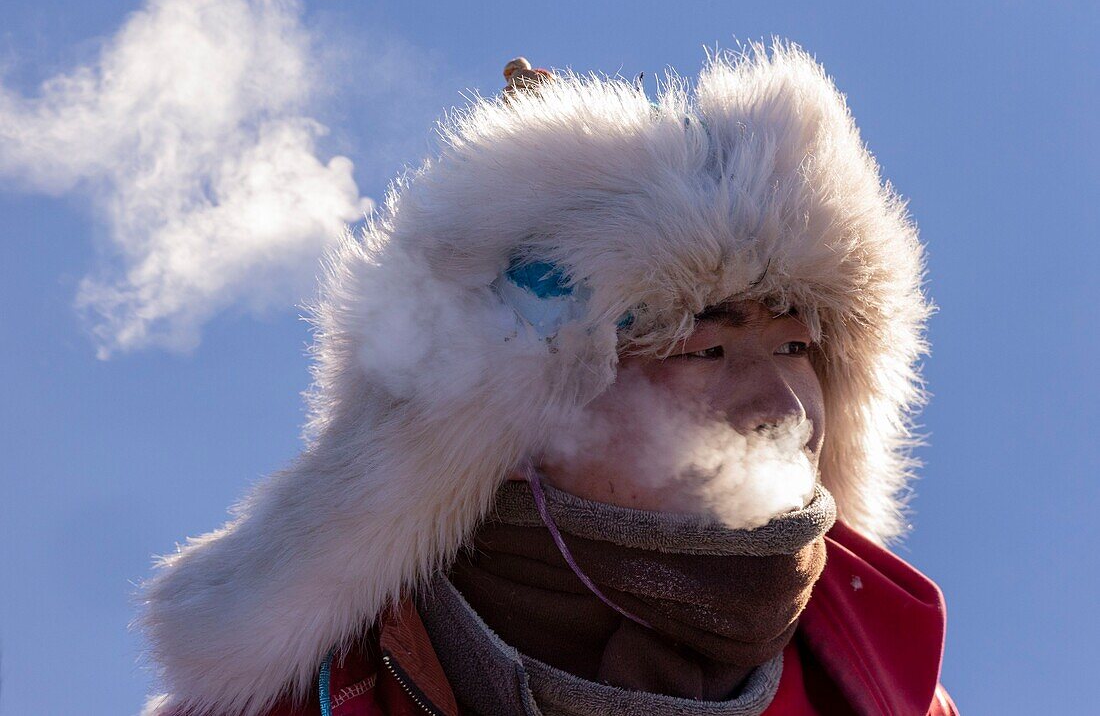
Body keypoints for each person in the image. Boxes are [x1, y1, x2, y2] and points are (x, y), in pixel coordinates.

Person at [139, 43, 959, 716]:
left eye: (796, 349)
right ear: (515, 420)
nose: (784, 409)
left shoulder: (899, 698)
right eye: (703, 351)